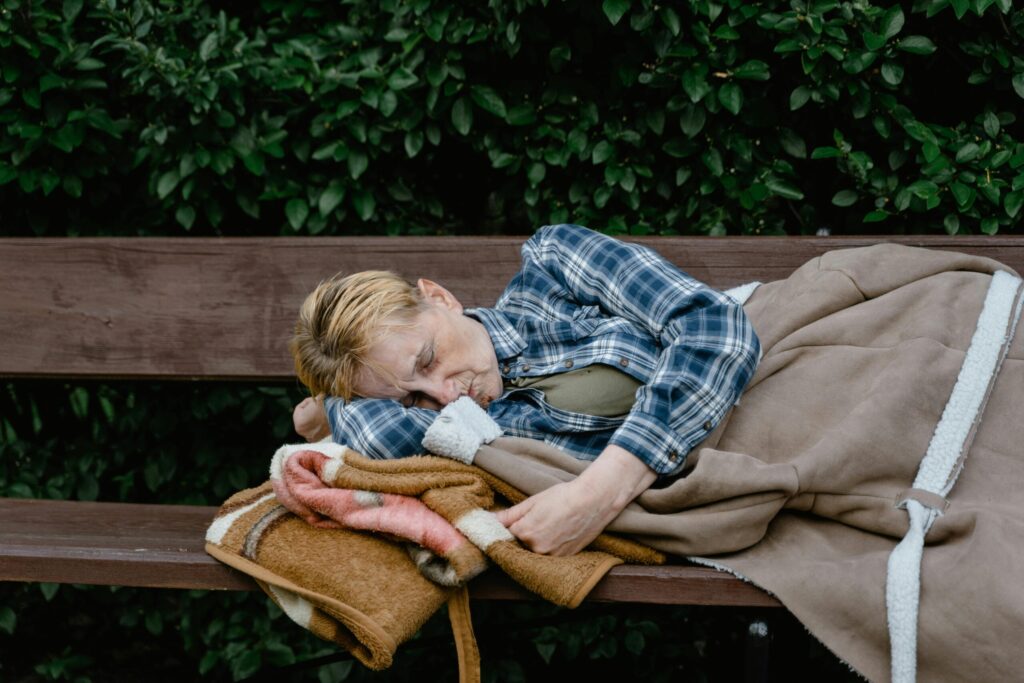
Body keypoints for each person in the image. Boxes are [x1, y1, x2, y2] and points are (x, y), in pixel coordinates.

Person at [289, 224, 761, 556]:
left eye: (428, 359)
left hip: (765, 378)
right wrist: (334, 406)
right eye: (413, 398)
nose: (447, 398)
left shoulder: (553, 263)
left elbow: (713, 327)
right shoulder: (441, 424)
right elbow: (372, 436)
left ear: (439, 298)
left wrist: (597, 495)